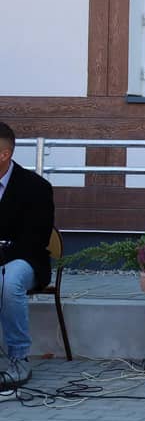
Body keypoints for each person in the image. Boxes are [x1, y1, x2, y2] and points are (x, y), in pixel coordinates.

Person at [0, 121, 55, 391]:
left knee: (8, 282)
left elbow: (36, 239)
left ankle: (19, 358)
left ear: (4, 154)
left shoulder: (36, 187)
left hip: (25, 259)